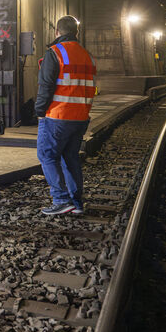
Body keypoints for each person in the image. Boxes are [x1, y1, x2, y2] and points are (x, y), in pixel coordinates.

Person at [34, 15, 97, 215]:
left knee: (47, 155)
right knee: (70, 157)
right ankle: (76, 203)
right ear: (76, 33)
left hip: (58, 115)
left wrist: (39, 111)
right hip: (81, 117)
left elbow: (46, 86)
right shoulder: (87, 55)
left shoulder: (55, 52)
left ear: (57, 32)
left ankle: (61, 199)